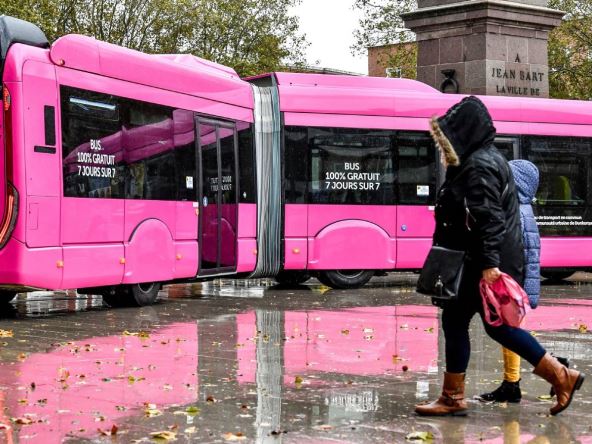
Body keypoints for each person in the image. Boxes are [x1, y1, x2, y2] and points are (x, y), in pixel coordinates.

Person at [414, 96, 585, 417]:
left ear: (463, 132)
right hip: (474, 261)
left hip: (477, 264)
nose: (442, 145)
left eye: (446, 136)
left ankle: (561, 376)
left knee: (490, 326)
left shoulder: (479, 165)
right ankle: (454, 396)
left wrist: (490, 265)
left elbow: (488, 217)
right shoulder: (479, 161)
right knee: (462, 322)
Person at [477, 159, 569, 403]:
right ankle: (512, 383)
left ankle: (553, 368)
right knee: (510, 333)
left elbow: (521, 252)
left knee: (509, 332)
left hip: (512, 281)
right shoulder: (522, 207)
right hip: (517, 281)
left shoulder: (514, 208)